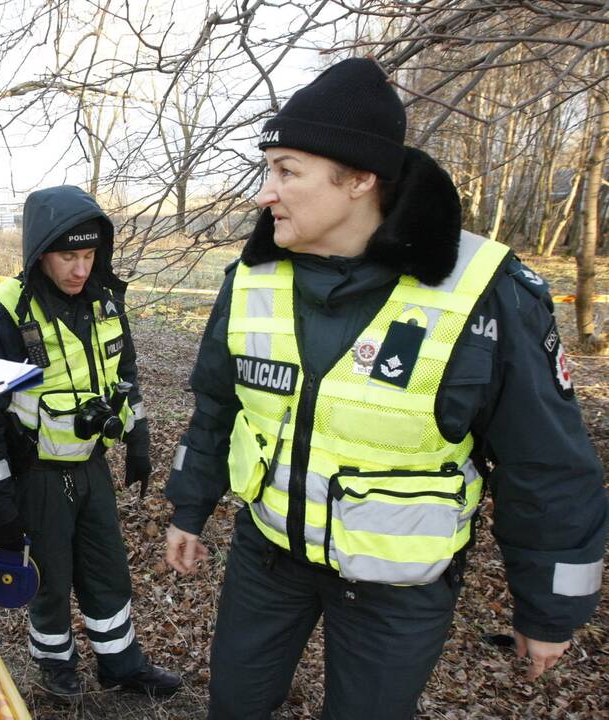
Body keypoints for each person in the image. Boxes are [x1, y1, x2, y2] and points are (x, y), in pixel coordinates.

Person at [164, 58, 607, 719]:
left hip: (395, 585)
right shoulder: (252, 280)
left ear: (358, 179)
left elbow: (545, 465)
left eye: (285, 170)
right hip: (267, 558)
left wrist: (548, 609)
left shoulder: (483, 293)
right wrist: (187, 507)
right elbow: (217, 406)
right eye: (268, 170)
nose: (265, 192)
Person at [0, 185, 182, 701]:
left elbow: (123, 374)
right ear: (40, 254)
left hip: (91, 465)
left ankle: (120, 664)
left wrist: (139, 439)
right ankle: (56, 666)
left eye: (89, 255)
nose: (80, 269)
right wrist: (0, 509)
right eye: (68, 256)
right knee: (51, 578)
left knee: (108, 568)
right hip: (35, 474)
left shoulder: (103, 300)